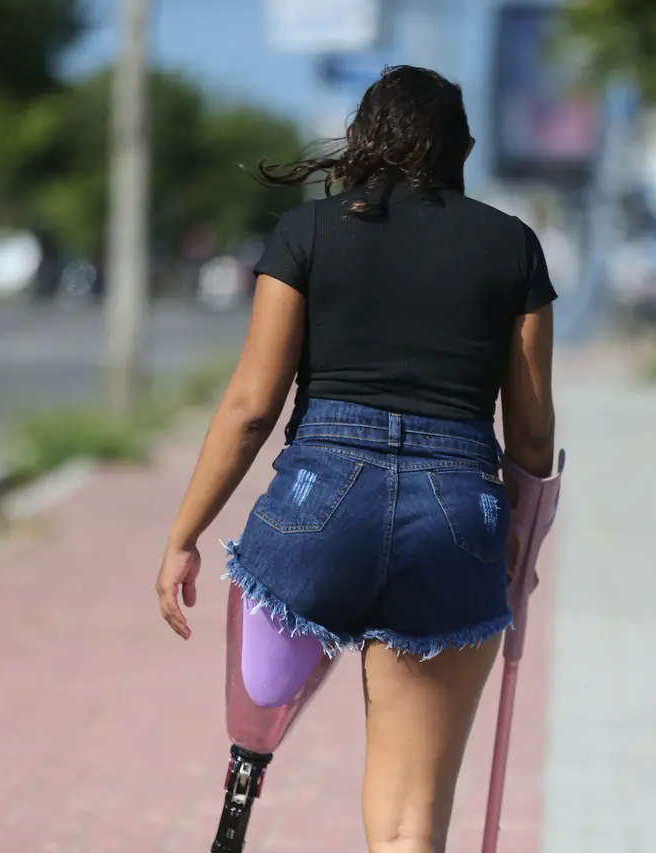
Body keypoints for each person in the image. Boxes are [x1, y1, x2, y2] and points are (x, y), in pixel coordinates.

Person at [155, 65, 557, 853]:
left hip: (316, 508)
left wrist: (184, 535)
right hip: (455, 516)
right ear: (465, 149)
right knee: (408, 823)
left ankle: (251, 747)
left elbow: (251, 407)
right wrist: (519, 539)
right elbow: (533, 437)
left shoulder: (306, 233)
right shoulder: (512, 246)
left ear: (360, 141)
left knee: (258, 701)